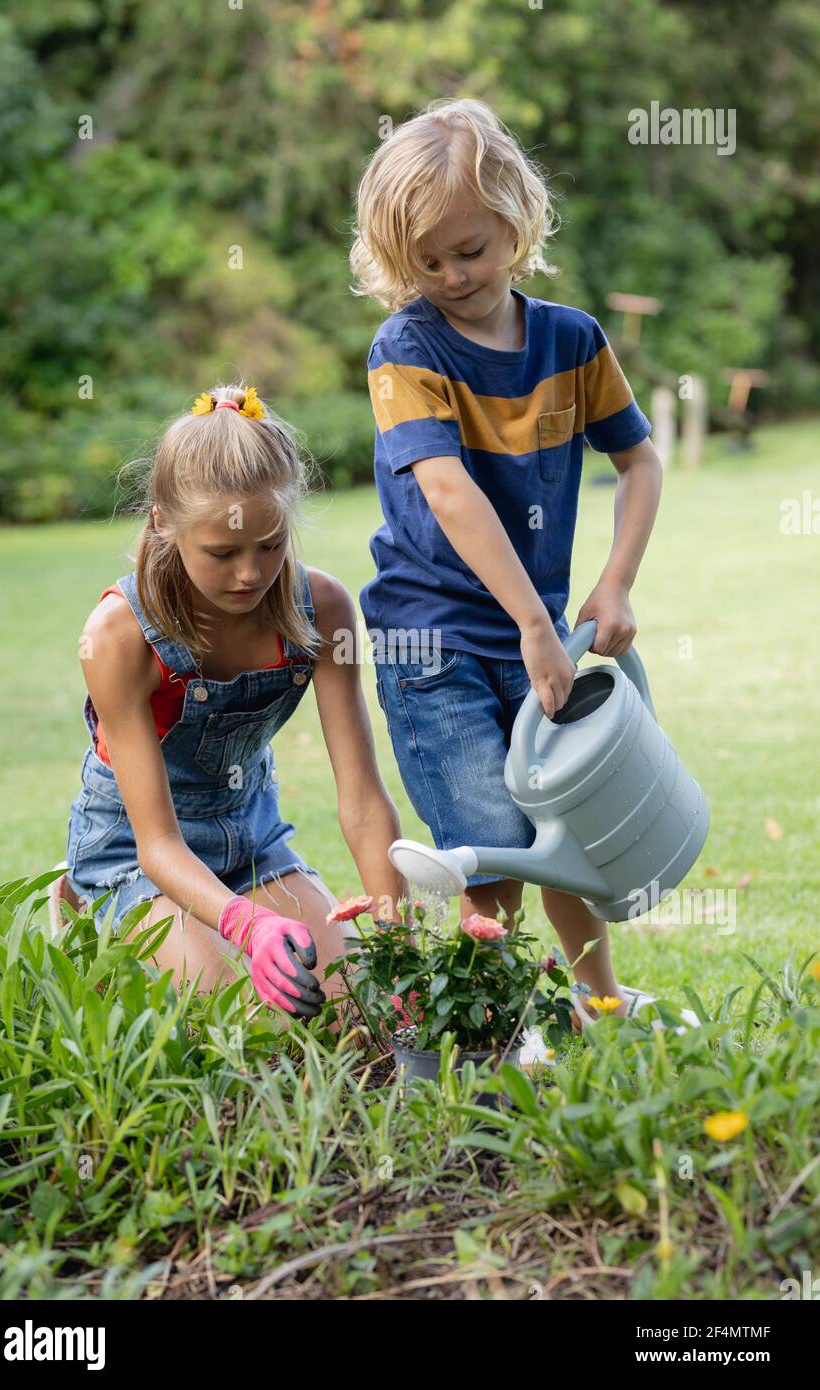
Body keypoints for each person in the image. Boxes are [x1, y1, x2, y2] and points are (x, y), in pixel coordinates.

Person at [349, 97, 693, 1029]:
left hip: (537, 633)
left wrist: (613, 582)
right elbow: (450, 493)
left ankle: (600, 1005)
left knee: (568, 836)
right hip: (437, 644)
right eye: (426, 261)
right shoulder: (404, 349)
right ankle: (483, 1029)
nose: (453, 275)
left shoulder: (572, 341)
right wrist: (537, 628)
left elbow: (640, 461)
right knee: (495, 853)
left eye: (472, 249)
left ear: (517, 220)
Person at [57, 383, 405, 1018]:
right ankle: (86, 908)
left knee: (353, 1002)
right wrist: (246, 925)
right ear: (162, 521)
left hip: (252, 841)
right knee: (235, 1013)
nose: (250, 574)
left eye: (271, 545)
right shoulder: (116, 637)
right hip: (135, 855)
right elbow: (156, 843)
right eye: (222, 553)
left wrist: (397, 939)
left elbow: (361, 797)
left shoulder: (323, 610)